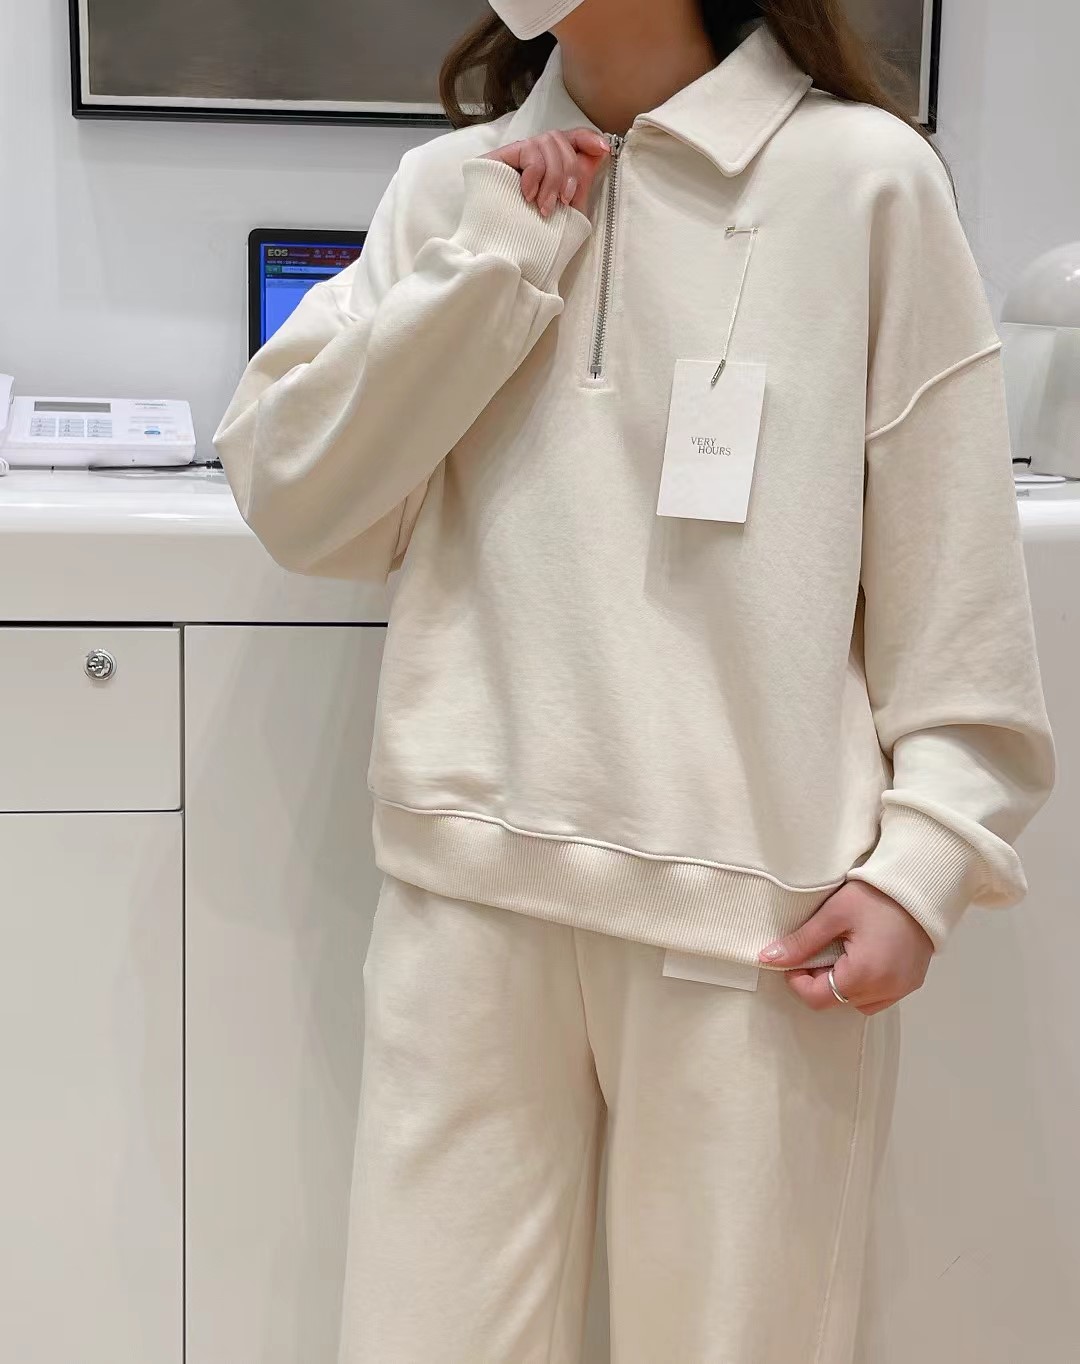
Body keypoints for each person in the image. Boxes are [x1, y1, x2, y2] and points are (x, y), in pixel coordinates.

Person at [214, 1, 1055, 1359]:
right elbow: (303, 503)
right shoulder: (454, 188)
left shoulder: (864, 182)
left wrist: (928, 859)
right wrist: (493, 267)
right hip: (468, 892)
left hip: (754, 921)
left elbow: (954, 584)